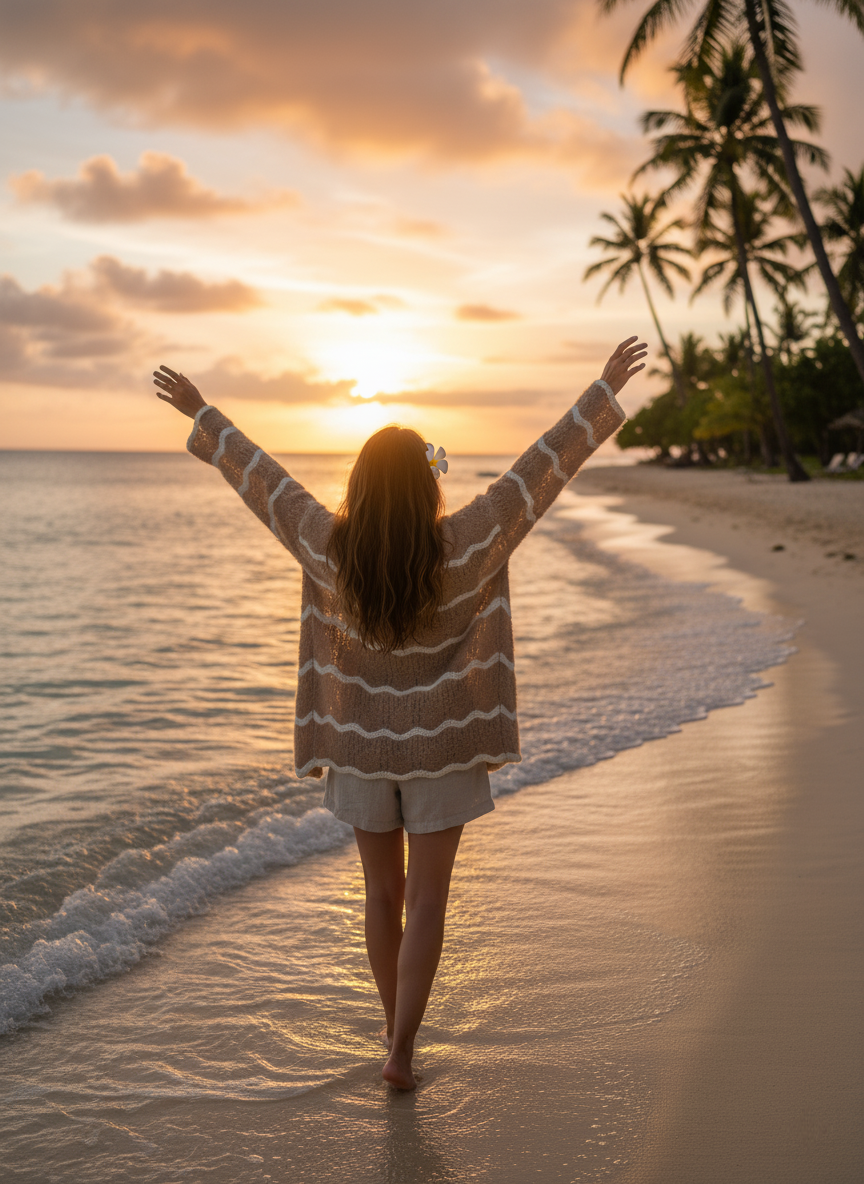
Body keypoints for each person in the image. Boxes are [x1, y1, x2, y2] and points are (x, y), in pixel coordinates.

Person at [153, 336, 645, 1089]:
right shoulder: (467, 542)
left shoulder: (330, 547)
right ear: (426, 486)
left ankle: (392, 1032)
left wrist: (203, 414)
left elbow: (269, 487)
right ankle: (402, 1050)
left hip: (359, 750)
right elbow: (538, 473)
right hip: (443, 750)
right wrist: (600, 393)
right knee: (428, 900)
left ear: (361, 484)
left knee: (381, 896)